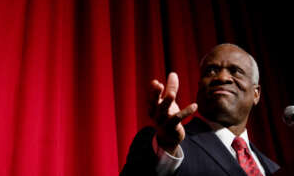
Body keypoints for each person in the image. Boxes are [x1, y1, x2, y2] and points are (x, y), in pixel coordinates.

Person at [120, 43, 280, 175]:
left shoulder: (273, 169)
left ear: (256, 94)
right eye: (211, 71)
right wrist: (166, 147)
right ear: (199, 87)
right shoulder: (164, 144)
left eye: (235, 71)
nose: (222, 78)